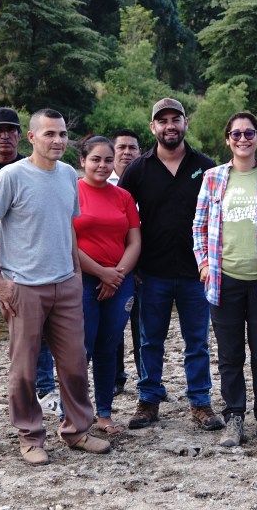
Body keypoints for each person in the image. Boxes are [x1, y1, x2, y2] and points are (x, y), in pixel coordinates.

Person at [0, 108, 111, 465]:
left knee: (75, 364)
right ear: (32, 137)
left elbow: (68, 227)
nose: (58, 140)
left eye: (62, 134)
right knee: (24, 369)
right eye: (50, 133)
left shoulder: (67, 175)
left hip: (65, 284)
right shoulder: (11, 176)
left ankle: (77, 430)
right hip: (24, 287)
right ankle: (30, 437)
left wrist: (76, 274)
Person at [119, 98, 223, 431]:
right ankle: (148, 400)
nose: (169, 126)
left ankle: (200, 402)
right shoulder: (138, 168)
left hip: (198, 272)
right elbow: (121, 217)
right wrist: (128, 262)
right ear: (153, 127)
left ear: (185, 123)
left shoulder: (206, 166)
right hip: (151, 271)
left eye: (175, 119)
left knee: (198, 342)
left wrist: (216, 260)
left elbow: (219, 217)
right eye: (162, 121)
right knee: (150, 341)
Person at [193, 112, 257, 447]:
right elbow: (199, 225)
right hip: (224, 281)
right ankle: (234, 417)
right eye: (236, 134)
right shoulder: (213, 178)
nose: (242, 139)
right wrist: (204, 265)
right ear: (227, 139)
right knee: (230, 355)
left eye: (249, 133)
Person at [0, 107, 58, 414]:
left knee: (38, 330)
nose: (4, 136)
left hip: (27, 267)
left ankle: (45, 390)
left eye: (10, 130)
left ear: (22, 135)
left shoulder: (31, 167)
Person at [74, 135, 141, 435]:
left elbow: (134, 241)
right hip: (83, 279)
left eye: (107, 160)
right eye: (95, 159)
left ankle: (104, 413)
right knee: (81, 348)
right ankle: (73, 414)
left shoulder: (123, 196)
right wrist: (102, 273)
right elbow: (67, 241)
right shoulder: (72, 192)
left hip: (120, 281)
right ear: (83, 161)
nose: (102, 165)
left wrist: (117, 275)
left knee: (108, 346)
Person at [109, 128, 143, 395]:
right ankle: (115, 378)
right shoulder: (101, 181)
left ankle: (147, 378)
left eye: (132, 148)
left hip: (144, 266)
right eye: (121, 147)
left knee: (143, 327)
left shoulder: (146, 178)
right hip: (110, 267)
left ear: (140, 152)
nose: (127, 152)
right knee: (113, 327)